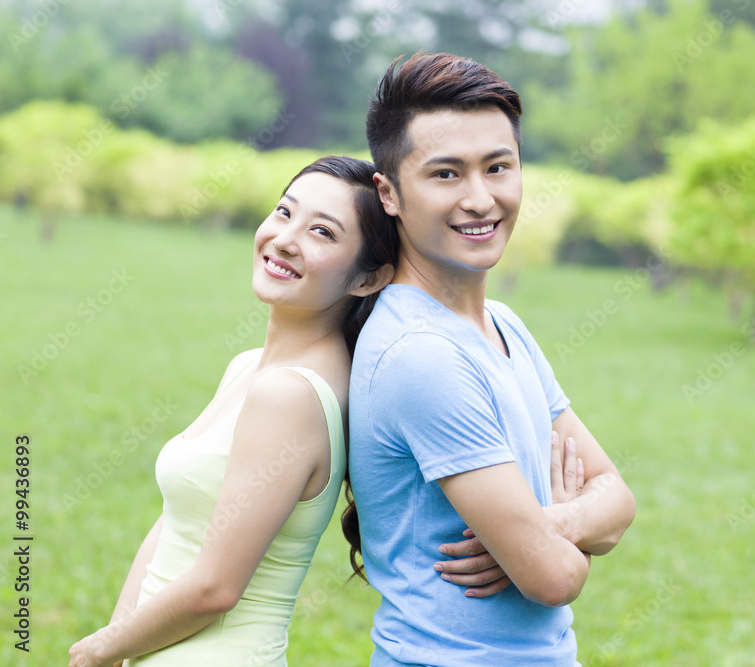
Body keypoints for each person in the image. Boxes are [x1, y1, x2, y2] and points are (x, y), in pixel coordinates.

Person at [348, 53, 637, 666]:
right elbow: (553, 580)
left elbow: (618, 499)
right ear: (389, 193)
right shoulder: (420, 356)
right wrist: (560, 535)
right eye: (446, 174)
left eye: (498, 167)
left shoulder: (503, 325)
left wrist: (550, 525)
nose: (481, 199)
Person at [68, 156, 399, 667]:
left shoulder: (290, 395)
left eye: (322, 233)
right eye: (284, 212)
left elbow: (216, 588)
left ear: (367, 278)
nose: (286, 239)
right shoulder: (252, 369)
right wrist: (118, 640)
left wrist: (98, 650)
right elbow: (176, 524)